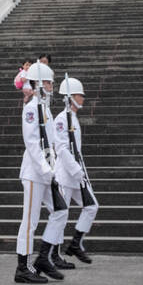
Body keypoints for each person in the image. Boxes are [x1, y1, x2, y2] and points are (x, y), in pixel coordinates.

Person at [44, 75, 99, 266]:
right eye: (79, 95)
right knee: (61, 214)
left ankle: (75, 243)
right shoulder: (62, 119)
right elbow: (61, 148)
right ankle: (54, 255)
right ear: (69, 97)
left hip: (77, 175)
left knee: (91, 206)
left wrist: (81, 173)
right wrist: (76, 170)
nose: (82, 98)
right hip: (66, 175)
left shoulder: (72, 118)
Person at [14, 62, 61, 283]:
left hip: (47, 171)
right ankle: (22, 267)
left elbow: (50, 142)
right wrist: (45, 169)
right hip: (34, 172)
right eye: (50, 82)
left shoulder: (44, 107)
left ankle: (43, 257)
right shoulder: (32, 108)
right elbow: (31, 143)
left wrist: (53, 168)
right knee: (30, 220)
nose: (52, 85)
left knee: (60, 212)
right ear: (40, 83)